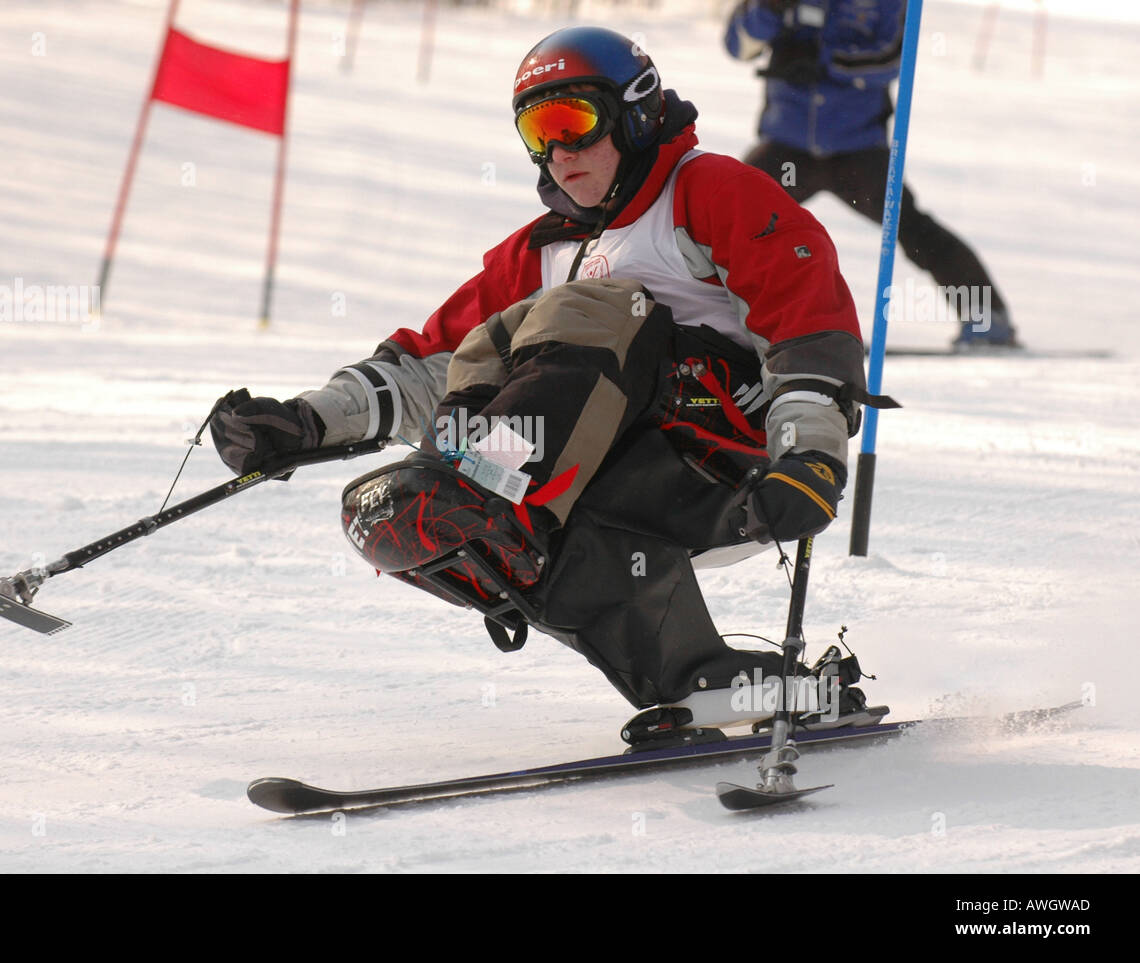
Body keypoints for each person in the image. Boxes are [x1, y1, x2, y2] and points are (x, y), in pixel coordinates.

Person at [210, 26, 886, 746]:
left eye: (573, 122)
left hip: (727, 454)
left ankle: (491, 479)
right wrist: (305, 423)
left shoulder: (707, 191)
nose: (559, 153)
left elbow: (807, 323)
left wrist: (810, 456)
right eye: (538, 131)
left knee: (595, 309)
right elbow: (427, 364)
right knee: (438, 494)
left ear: (634, 111)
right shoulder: (543, 248)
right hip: (605, 472)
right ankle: (706, 679)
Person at [724, 0, 1020, 349]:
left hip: (857, 150)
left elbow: (892, 60)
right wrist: (770, 10)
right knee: (730, 223)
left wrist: (824, 60)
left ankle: (988, 320)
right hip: (788, 148)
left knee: (912, 228)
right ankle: (711, 321)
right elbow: (738, 45)